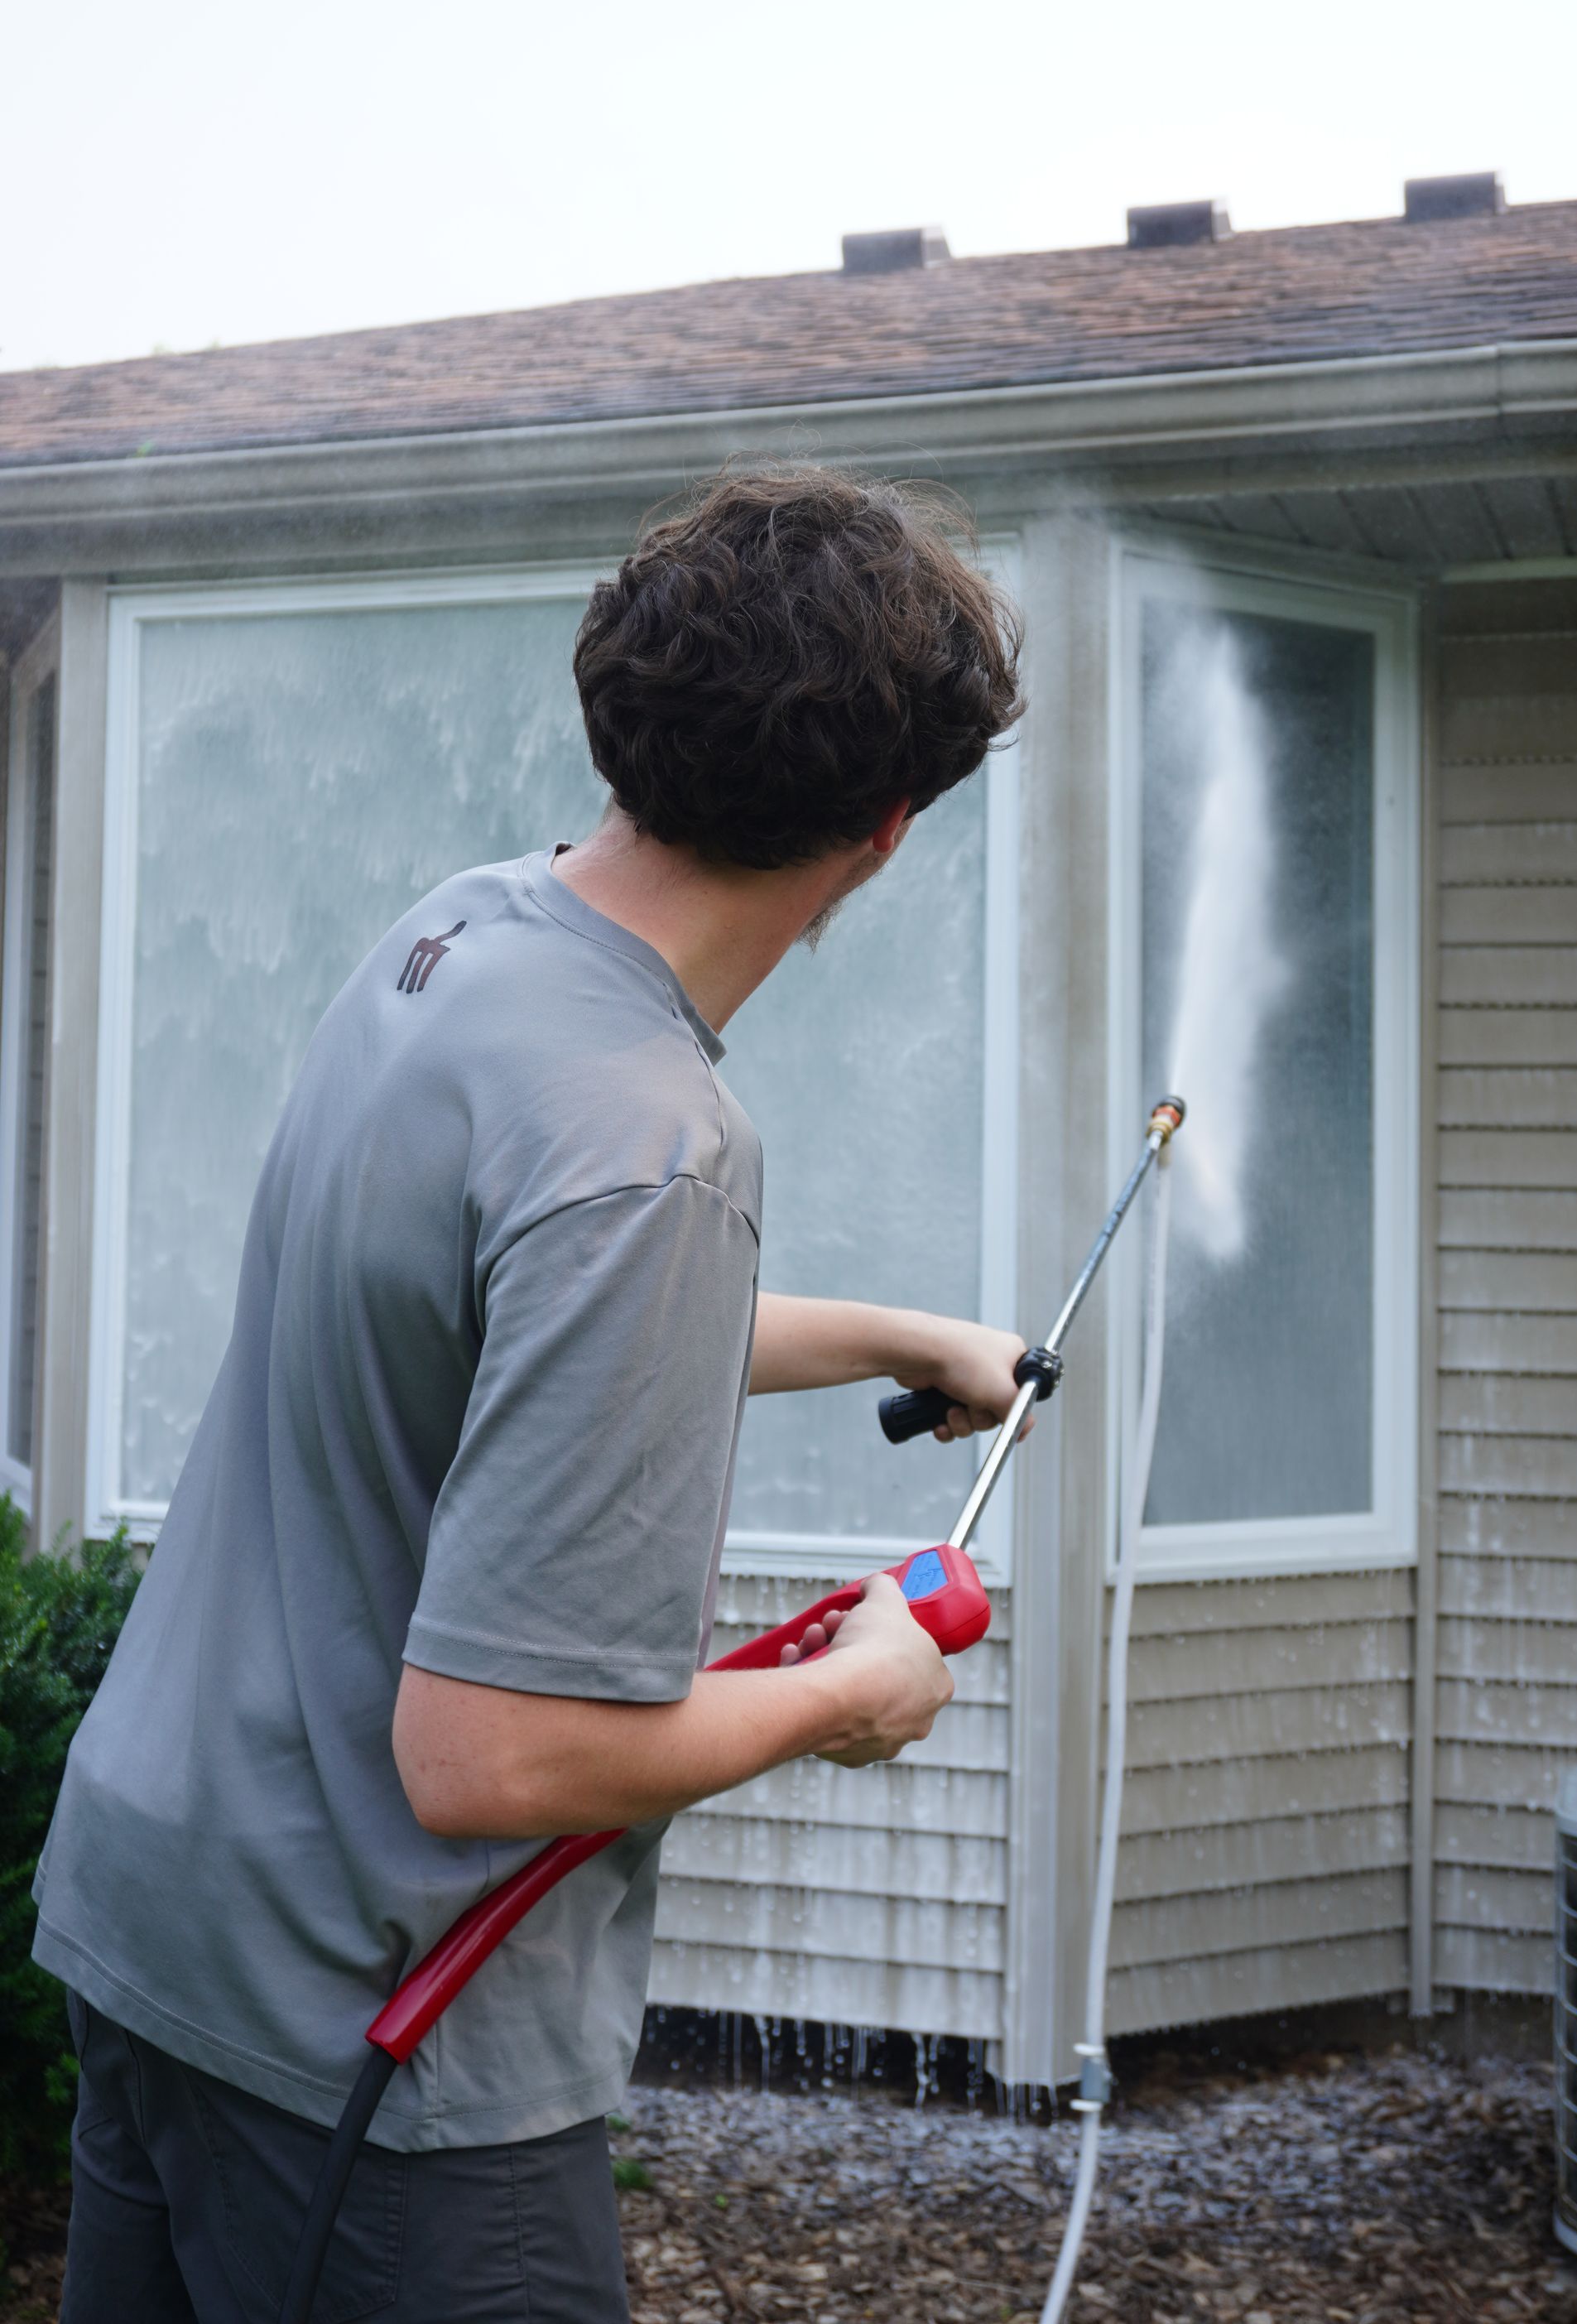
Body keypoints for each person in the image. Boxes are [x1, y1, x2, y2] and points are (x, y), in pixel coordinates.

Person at [34, 462, 1026, 2322]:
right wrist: (847, 1690)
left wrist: (903, 1336)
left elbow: (517, 1329)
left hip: (163, 1926)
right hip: (371, 2048)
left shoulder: (459, 941)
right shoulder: (656, 1143)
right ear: (888, 832)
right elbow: (492, 1760)